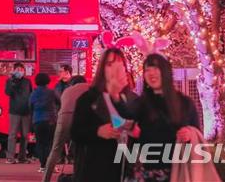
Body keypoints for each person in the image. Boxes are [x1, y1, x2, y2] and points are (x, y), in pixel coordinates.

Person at [117, 54, 201, 182]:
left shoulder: (185, 103)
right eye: (147, 70)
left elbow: (198, 134)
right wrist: (129, 130)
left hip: (177, 172)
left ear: (166, 71)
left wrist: (190, 134)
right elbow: (118, 124)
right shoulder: (139, 104)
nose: (151, 73)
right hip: (145, 173)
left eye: (156, 68)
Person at [71, 48, 138, 182]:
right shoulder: (88, 99)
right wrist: (97, 132)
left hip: (125, 168)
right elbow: (75, 133)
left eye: (119, 65)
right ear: (102, 69)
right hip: (96, 169)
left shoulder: (132, 99)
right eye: (109, 64)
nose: (114, 69)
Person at [43, 75, 89, 182]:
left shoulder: (67, 91)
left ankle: (45, 179)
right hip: (81, 119)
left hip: (64, 118)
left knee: (55, 150)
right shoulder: (89, 88)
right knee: (82, 148)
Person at [29, 72, 58, 173]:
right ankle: (51, 166)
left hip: (38, 121)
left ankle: (42, 166)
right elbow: (60, 102)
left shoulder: (33, 93)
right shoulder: (52, 92)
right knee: (50, 143)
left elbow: (30, 107)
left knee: (40, 144)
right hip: (51, 120)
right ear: (47, 81)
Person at [4, 61, 32, 164]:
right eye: (18, 70)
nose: (20, 72)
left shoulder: (27, 82)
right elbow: (8, 92)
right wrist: (13, 81)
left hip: (26, 111)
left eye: (22, 70)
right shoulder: (10, 81)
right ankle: (10, 157)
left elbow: (31, 94)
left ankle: (22, 157)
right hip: (14, 111)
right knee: (12, 135)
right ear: (14, 71)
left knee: (25, 135)